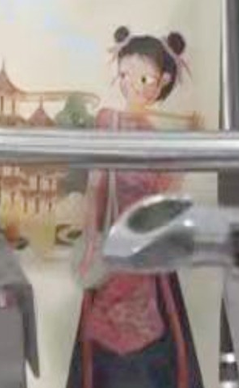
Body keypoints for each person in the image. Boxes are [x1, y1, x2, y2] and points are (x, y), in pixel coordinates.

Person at [67, 26, 203, 388]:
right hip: (110, 243)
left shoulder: (158, 137)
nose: (132, 86)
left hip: (144, 249)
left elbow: (168, 197)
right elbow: (96, 183)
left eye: (144, 78)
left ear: (163, 82)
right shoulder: (107, 121)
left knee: (149, 341)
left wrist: (188, 151)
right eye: (125, 75)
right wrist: (91, 234)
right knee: (102, 341)